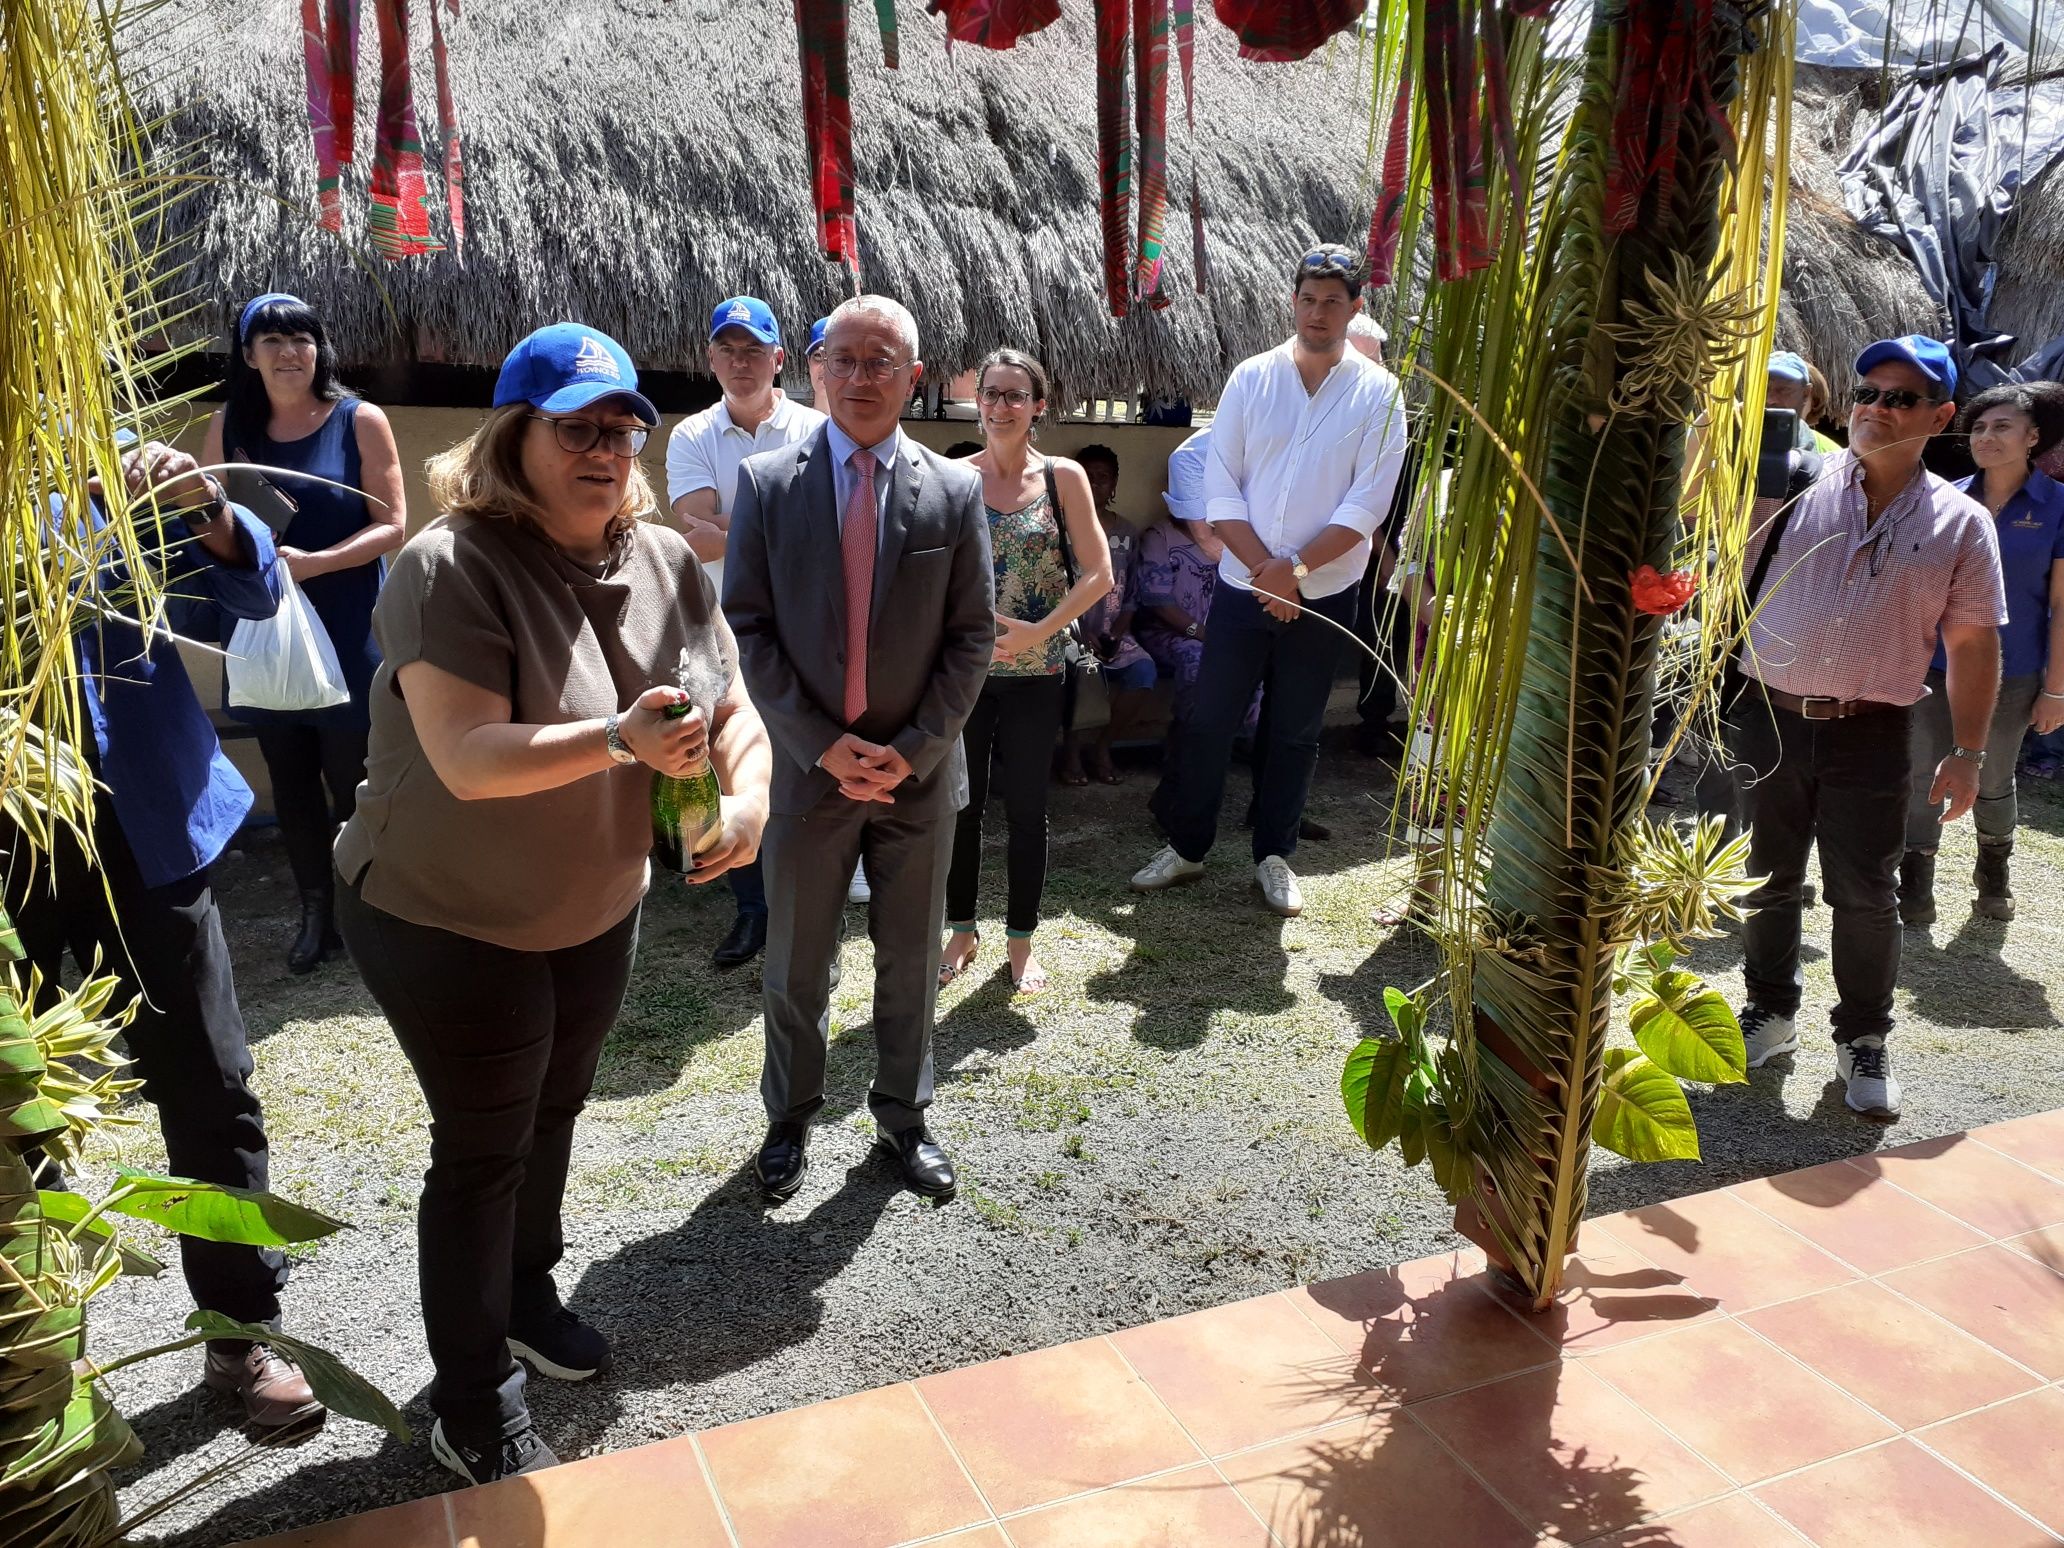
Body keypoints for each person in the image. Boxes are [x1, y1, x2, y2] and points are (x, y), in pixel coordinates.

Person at [334, 325, 771, 1483]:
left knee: (557, 1106)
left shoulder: (665, 557)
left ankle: (528, 1296)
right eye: (575, 426)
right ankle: (469, 1397)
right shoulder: (449, 563)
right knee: (483, 1148)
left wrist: (754, 806)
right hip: (442, 908)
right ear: (511, 439)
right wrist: (621, 740)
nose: (606, 448)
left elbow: (732, 709)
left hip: (591, 900)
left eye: (622, 427)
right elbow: (472, 756)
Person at [7, 436, 323, 1431]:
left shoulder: (94, 474)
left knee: (210, 1086)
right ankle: (38, 1357)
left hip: (142, 827)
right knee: (18, 1111)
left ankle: (238, 1337)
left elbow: (256, 594)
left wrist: (201, 505)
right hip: (9, 856)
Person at [724, 295, 994, 1205]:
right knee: (797, 959)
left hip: (916, 778)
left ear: (914, 378)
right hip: (809, 773)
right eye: (843, 358)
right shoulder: (767, 483)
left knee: (911, 956)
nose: (860, 376)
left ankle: (903, 1118)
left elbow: (972, 638)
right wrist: (820, 744)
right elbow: (748, 628)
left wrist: (913, 750)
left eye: (882, 360)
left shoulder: (954, 491)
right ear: (816, 371)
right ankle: (789, 1117)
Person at [1728, 335, 2005, 1122]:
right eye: (1868, 393)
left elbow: (1974, 642)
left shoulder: (1960, 523)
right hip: (1771, 716)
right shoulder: (1793, 482)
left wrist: (1968, 752)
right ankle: (1769, 1013)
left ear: (1941, 416)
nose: (1877, 409)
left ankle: (1864, 1037)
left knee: (1864, 893)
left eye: (1901, 398)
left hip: (1873, 727)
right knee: (1767, 878)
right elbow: (1716, 561)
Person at [1132, 245, 1409, 916]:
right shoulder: (1251, 378)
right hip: (1243, 586)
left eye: (1333, 302)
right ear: (1293, 301)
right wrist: (1267, 573)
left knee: (1294, 729)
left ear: (1355, 307)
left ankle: (1275, 854)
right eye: (1308, 299)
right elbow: (1221, 488)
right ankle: (1189, 847)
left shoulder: (1380, 394)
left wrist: (1297, 572)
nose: (1318, 313)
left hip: (1324, 594)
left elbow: (1367, 505)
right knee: (1210, 720)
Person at [203, 293, 405, 973]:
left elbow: (393, 524)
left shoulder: (359, 419)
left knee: (353, 775)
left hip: (346, 621)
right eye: (273, 341)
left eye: (302, 338)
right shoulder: (229, 426)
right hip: (263, 624)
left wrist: (316, 562)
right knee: (288, 773)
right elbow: (208, 515)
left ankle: (368, 908)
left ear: (320, 348)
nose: (290, 352)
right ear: (248, 355)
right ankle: (316, 912)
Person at [939, 352, 1111, 994]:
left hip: (1040, 672)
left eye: (1016, 396)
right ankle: (961, 928)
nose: (1002, 406)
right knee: (962, 806)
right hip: (966, 675)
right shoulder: (953, 477)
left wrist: (1042, 630)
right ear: (977, 401)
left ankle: (1020, 942)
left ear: (1039, 405)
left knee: (1029, 809)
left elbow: (1099, 574)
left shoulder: (1063, 477)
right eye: (992, 394)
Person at [666, 297, 825, 970]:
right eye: (727, 350)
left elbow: (826, 534)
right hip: (718, 627)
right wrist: (778, 530)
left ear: (779, 359)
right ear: (710, 358)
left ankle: (808, 902)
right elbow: (691, 533)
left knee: (805, 756)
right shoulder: (692, 436)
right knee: (726, 754)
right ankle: (751, 909)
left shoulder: (817, 430)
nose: (740, 362)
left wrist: (737, 529)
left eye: (754, 350)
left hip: (809, 624)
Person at [1900, 382, 2064, 923]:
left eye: (2002, 427)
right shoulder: (1944, 498)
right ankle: (1915, 883)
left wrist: (2056, 689)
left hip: (2013, 674)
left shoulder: (2058, 507)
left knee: (1992, 776)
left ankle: (1993, 873)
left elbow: (2062, 606)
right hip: (1933, 666)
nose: (1986, 436)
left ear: (2033, 437)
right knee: (1922, 770)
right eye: (1978, 427)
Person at [1058, 443, 1154, 786]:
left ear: (1114, 484)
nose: (1097, 484)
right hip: (1071, 632)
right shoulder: (1063, 531)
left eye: (1104, 478)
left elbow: (1132, 593)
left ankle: (1102, 747)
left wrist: (1117, 633)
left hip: (1115, 632)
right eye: (1089, 477)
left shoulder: (1126, 533)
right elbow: (1056, 588)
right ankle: (1071, 751)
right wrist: (1082, 634)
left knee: (1143, 672)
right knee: (1081, 673)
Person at [1767, 351, 1838, 453]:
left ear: (1806, 394)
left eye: (1784, 390)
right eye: (1764, 389)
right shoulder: (1742, 437)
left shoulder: (1829, 452)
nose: (1770, 399)